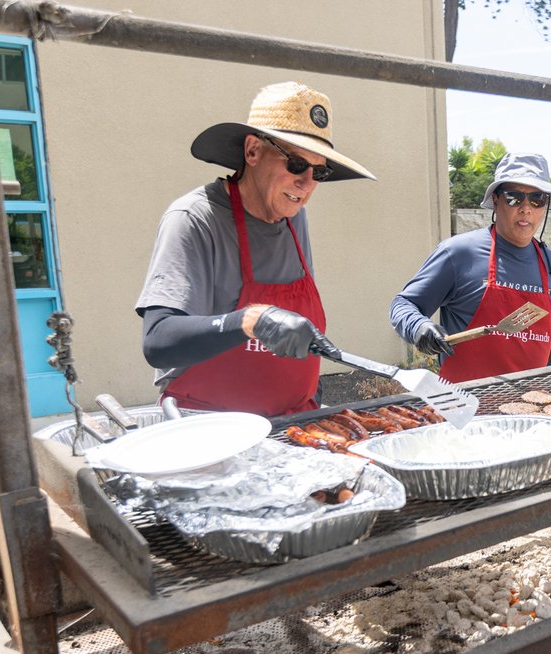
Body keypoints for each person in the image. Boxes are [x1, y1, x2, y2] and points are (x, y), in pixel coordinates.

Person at [135, 81, 375, 417]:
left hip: (292, 426)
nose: (306, 183)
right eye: (295, 163)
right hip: (212, 427)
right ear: (252, 151)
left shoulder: (294, 218)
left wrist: (311, 393)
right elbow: (159, 342)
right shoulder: (195, 218)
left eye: (318, 170)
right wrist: (252, 320)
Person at [390, 153, 551, 382]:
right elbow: (403, 304)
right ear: (496, 200)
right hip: (466, 407)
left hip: (531, 406)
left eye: (537, 199)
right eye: (514, 198)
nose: (526, 208)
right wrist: (419, 326)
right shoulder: (459, 253)